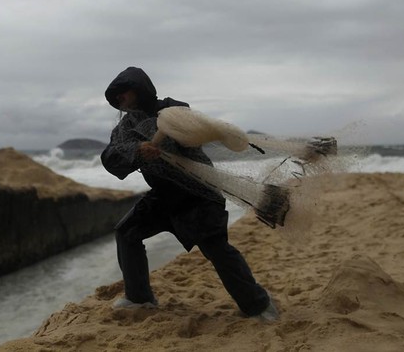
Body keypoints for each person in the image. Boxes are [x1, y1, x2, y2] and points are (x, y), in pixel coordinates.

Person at [101, 66, 279, 321]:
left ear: (139, 89)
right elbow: (110, 156)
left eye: (123, 93)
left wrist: (161, 142)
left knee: (217, 249)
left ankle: (258, 305)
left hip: (197, 194)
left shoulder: (175, 109)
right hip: (163, 196)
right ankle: (140, 297)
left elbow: (191, 138)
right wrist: (138, 150)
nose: (120, 100)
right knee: (126, 232)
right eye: (115, 98)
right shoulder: (125, 127)